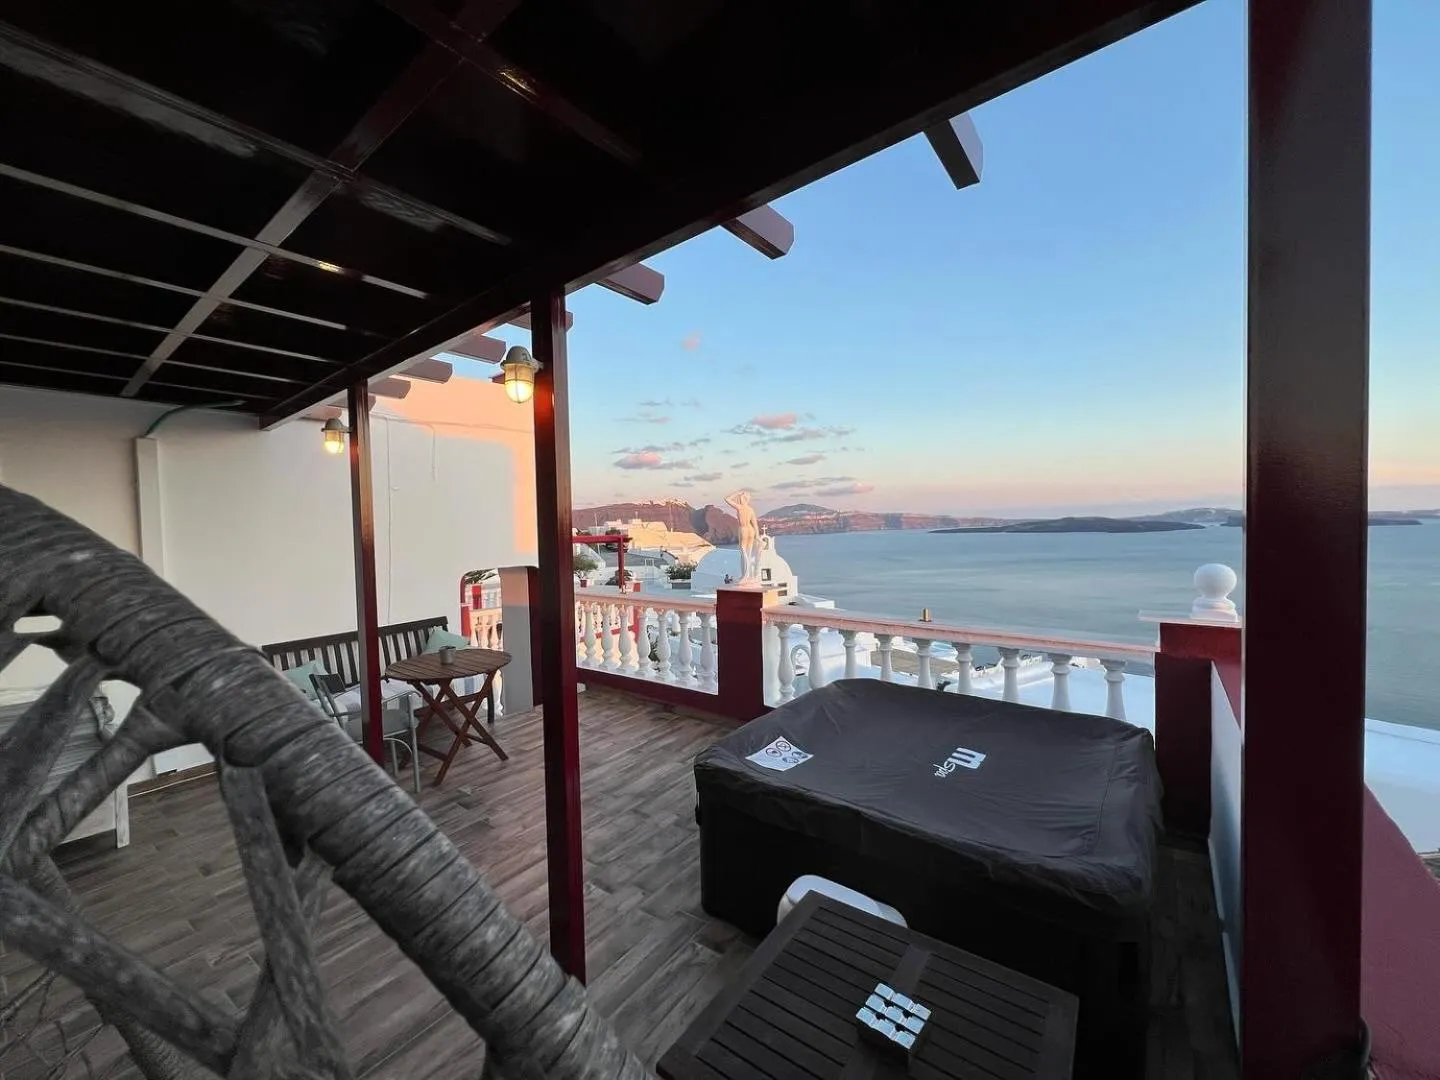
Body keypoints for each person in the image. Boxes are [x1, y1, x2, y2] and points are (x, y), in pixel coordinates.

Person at [724, 490, 760, 584]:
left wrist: (737, 493)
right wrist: (757, 536)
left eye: (740, 498)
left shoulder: (740, 508)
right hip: (751, 530)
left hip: (743, 530)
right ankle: (747, 575)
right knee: (748, 552)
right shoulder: (751, 510)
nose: (739, 499)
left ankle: (745, 575)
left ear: (744, 499)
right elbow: (755, 524)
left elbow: (727, 499)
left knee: (743, 552)